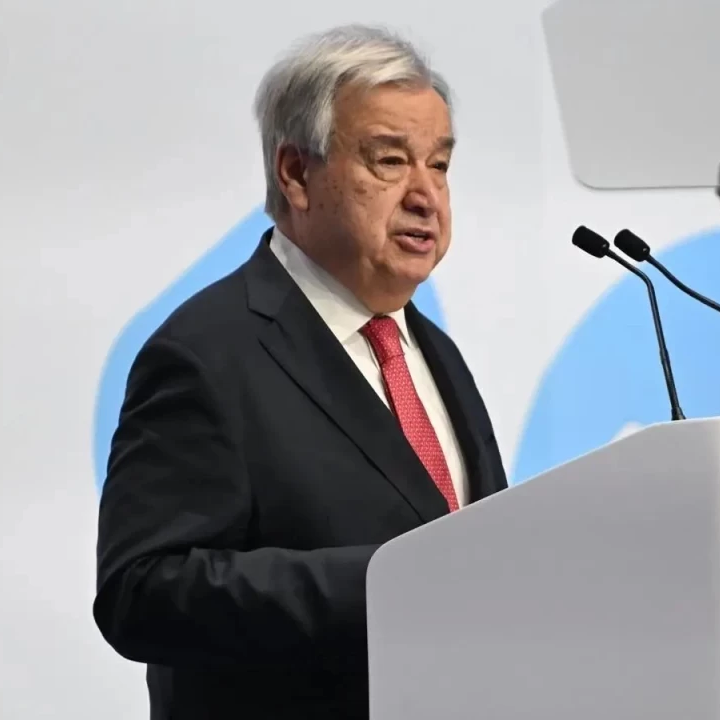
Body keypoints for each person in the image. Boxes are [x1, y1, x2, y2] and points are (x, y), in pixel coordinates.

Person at [92, 25, 508, 719]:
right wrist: (387, 581)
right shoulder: (205, 352)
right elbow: (142, 591)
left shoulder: (433, 351)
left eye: (438, 165)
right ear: (295, 174)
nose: (426, 196)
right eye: (389, 160)